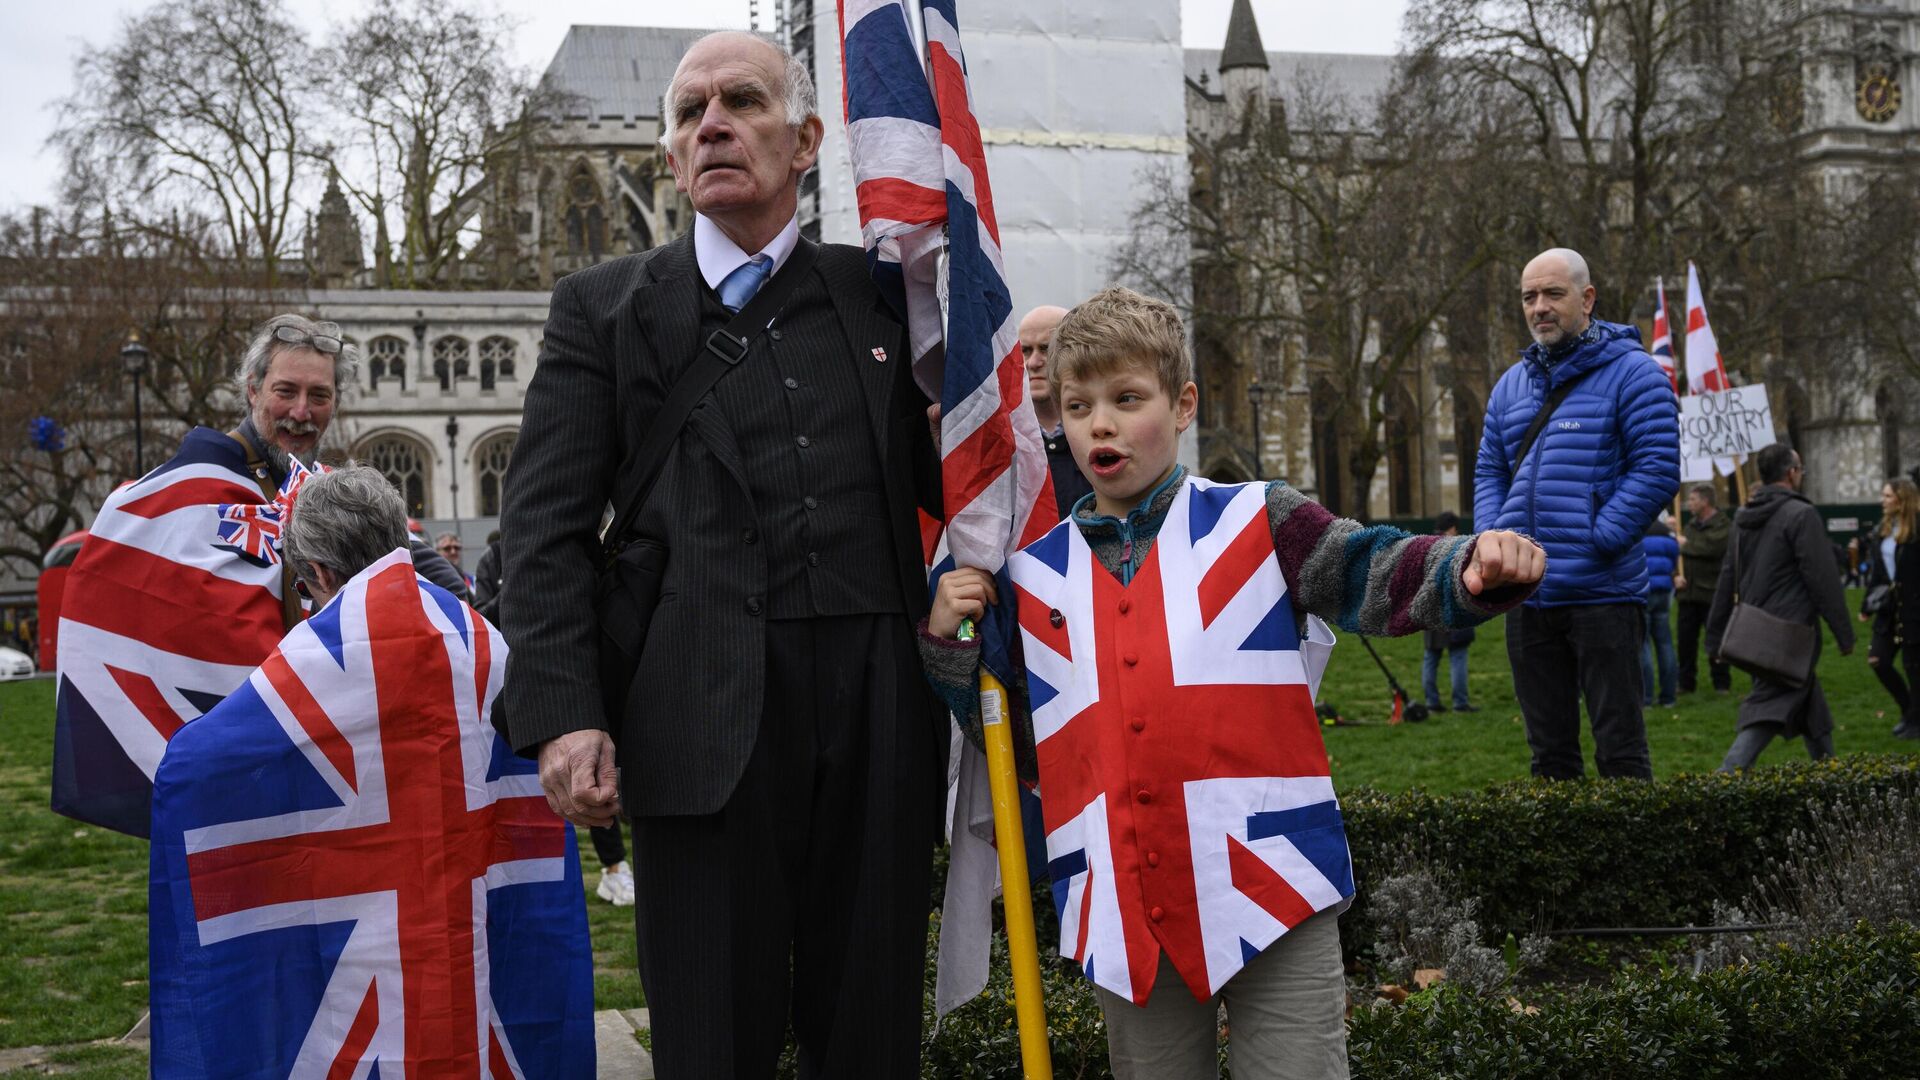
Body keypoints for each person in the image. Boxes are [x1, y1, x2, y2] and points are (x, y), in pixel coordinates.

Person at [922, 287, 1544, 1080]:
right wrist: (949, 645)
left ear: (1184, 405)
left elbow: (1373, 570)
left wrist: (1469, 566)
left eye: (1127, 399)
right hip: (1124, 912)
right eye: (1078, 407)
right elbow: (1016, 742)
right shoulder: (1033, 579)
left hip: (1273, 886)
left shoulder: (1261, 518)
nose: (1100, 424)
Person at [499, 31, 941, 1078]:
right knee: (710, 1043)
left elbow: (967, 473)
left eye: (742, 99)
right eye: (691, 112)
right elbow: (544, 527)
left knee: (872, 1037)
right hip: (696, 725)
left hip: (880, 719)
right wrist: (564, 714)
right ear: (670, 160)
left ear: (805, 141)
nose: (713, 123)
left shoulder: (886, 296)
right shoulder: (603, 311)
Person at [148, 463, 593, 1075]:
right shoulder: (483, 640)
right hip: (471, 927)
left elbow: (195, 766)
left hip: (363, 943)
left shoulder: (311, 660)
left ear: (321, 573)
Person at [1475, 247, 1680, 780]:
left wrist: (1599, 537)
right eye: (1529, 297)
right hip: (1525, 594)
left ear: (1587, 299)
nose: (1539, 307)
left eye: (1553, 294)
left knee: (1622, 753)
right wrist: (1493, 543)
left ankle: (1630, 862)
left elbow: (1657, 467)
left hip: (1603, 593)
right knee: (1550, 758)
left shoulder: (1636, 374)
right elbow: (1489, 471)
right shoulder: (1509, 387)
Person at [1707, 444, 1854, 770]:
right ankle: (1721, 784)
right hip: (1790, 638)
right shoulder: (1801, 515)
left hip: (1754, 631)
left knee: (1811, 707)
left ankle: (1832, 778)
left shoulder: (1743, 517)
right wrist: (1844, 634)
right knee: (1766, 711)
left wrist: (1714, 636)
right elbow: (1823, 579)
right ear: (1791, 473)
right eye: (1800, 468)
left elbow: (1727, 578)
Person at [1021, 303, 1095, 514]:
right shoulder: (1006, 443)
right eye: (1025, 351)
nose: (1033, 362)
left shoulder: (1104, 433)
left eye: (1046, 349)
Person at [1862, 477, 1920, 739]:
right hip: (1889, 609)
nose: (1882, 501)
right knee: (1878, 659)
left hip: (1913, 608)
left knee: (1913, 666)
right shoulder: (1883, 530)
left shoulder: (1916, 531)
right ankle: (1909, 711)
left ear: (1902, 499)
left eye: (1887, 496)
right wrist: (1867, 605)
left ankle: (1914, 722)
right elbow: (1878, 575)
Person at [1673, 482, 1732, 695]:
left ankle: (1721, 682)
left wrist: (1685, 545)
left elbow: (1712, 548)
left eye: (1693, 500)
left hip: (1712, 593)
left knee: (1716, 639)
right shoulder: (1689, 526)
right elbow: (1679, 556)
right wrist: (1676, 576)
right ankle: (1686, 682)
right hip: (1688, 594)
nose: (1689, 503)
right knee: (1685, 642)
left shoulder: (1722, 526)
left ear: (1705, 502)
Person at [1421, 511, 1479, 713]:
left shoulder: (1425, 546)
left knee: (1431, 658)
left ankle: (1431, 702)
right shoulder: (1459, 547)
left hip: (1431, 611)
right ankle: (1460, 703)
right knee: (1458, 657)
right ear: (1453, 528)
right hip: (1455, 610)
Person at [1641, 516, 1680, 707]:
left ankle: (1646, 697)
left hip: (1643, 591)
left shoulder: (1637, 530)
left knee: (1643, 644)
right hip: (1664, 590)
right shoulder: (1668, 534)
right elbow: (1674, 561)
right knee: (1665, 643)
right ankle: (1668, 696)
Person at [472, 529, 505, 623]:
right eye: (447, 548)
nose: (453, 552)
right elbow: (480, 613)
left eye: (456, 547)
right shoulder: (491, 558)